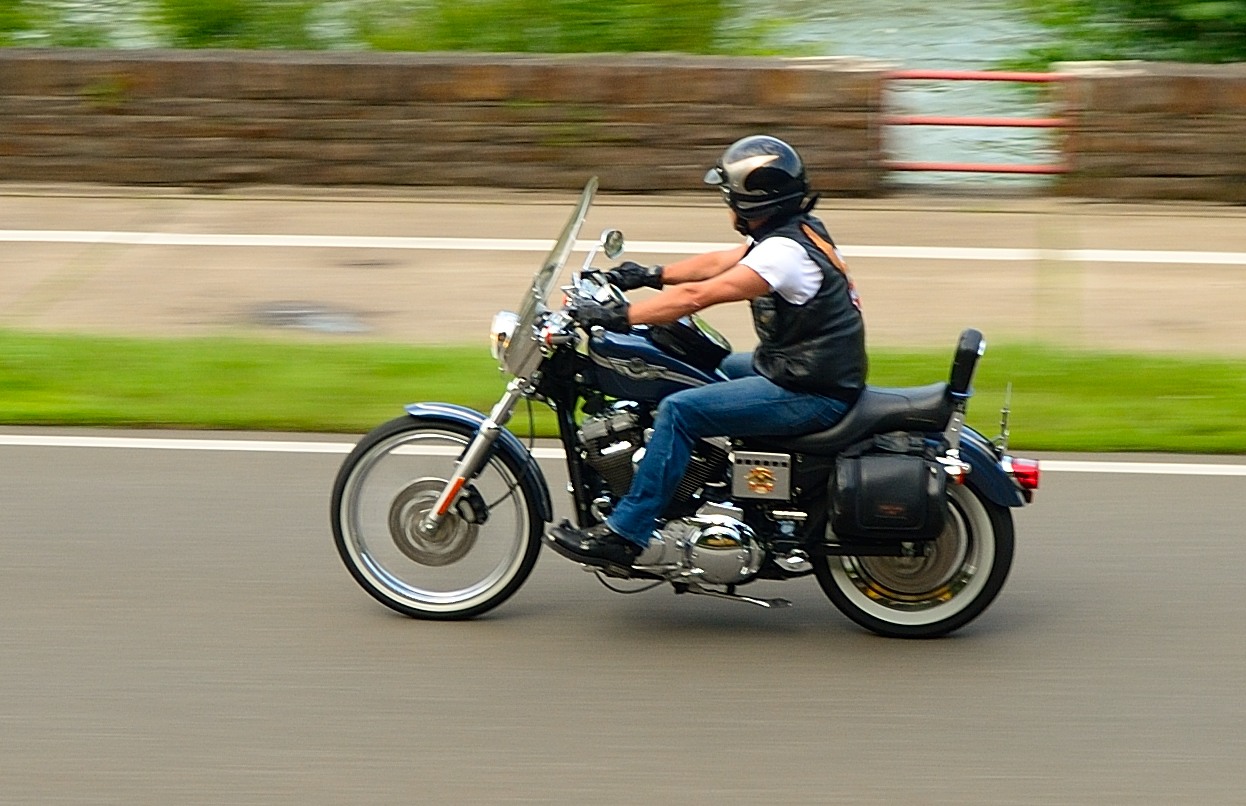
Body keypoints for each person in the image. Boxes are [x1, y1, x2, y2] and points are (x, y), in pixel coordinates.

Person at [547, 135, 867, 574]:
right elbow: (721, 262)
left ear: (755, 202)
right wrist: (647, 275)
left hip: (809, 389)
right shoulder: (794, 233)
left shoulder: (785, 254)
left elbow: (701, 294)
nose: (727, 205)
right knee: (692, 369)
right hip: (797, 369)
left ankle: (626, 534)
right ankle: (700, 487)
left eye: (730, 196)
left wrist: (619, 315)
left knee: (680, 410)